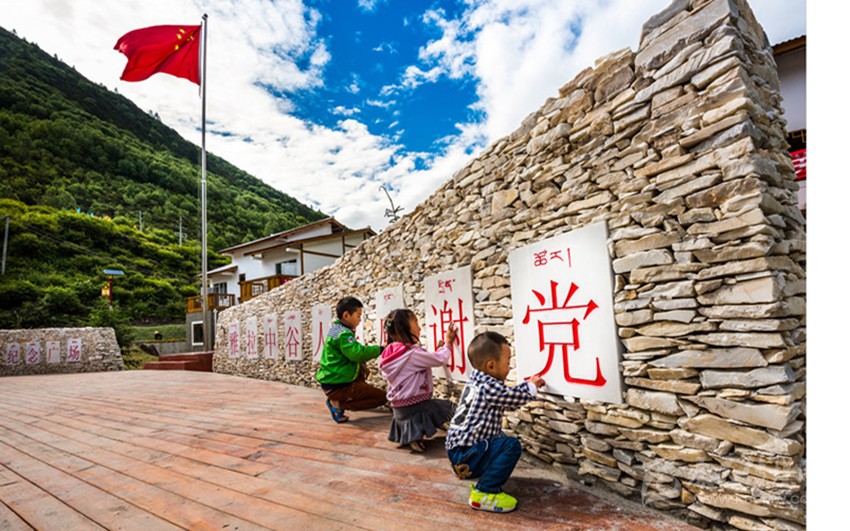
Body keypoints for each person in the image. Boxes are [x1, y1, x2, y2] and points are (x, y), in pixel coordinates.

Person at [445, 331, 546, 513]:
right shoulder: (488, 386)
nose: (509, 366)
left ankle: (468, 470)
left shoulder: (475, 381)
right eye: (507, 362)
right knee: (511, 446)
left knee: (499, 437)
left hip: (458, 455)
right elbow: (512, 397)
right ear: (491, 366)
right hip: (466, 455)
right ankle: (485, 491)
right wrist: (532, 385)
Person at [379, 308, 457, 452]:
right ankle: (416, 435)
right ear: (404, 329)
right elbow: (440, 359)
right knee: (448, 408)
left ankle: (412, 436)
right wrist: (447, 344)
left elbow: (418, 363)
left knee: (424, 410)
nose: (420, 328)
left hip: (398, 408)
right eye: (416, 322)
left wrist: (435, 351)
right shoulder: (412, 353)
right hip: (415, 406)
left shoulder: (391, 353)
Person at [315, 296, 387, 423]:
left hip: (332, 381)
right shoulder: (344, 334)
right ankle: (338, 405)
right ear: (346, 315)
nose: (360, 319)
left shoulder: (336, 329)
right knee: (382, 397)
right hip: (338, 384)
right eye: (358, 315)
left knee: (362, 369)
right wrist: (381, 349)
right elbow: (357, 354)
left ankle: (339, 400)